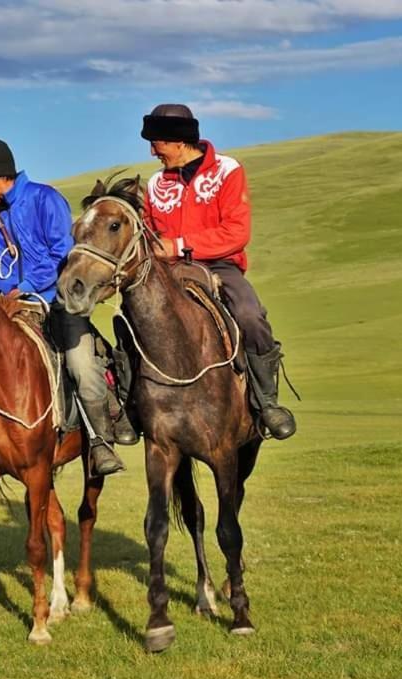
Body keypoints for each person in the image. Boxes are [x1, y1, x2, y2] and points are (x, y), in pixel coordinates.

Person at [0, 137, 135, 474]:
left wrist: (26, 288)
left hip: (53, 303)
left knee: (81, 365)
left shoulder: (46, 199)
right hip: (8, 308)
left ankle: (100, 440)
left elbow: (63, 253)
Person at [140, 104, 296, 439]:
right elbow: (149, 231)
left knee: (250, 315)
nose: (152, 151)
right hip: (169, 273)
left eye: (157, 143)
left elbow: (236, 233)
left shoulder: (227, 170)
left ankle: (266, 401)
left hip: (219, 265)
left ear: (179, 141)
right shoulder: (155, 184)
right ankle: (129, 406)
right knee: (131, 319)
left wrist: (178, 245)